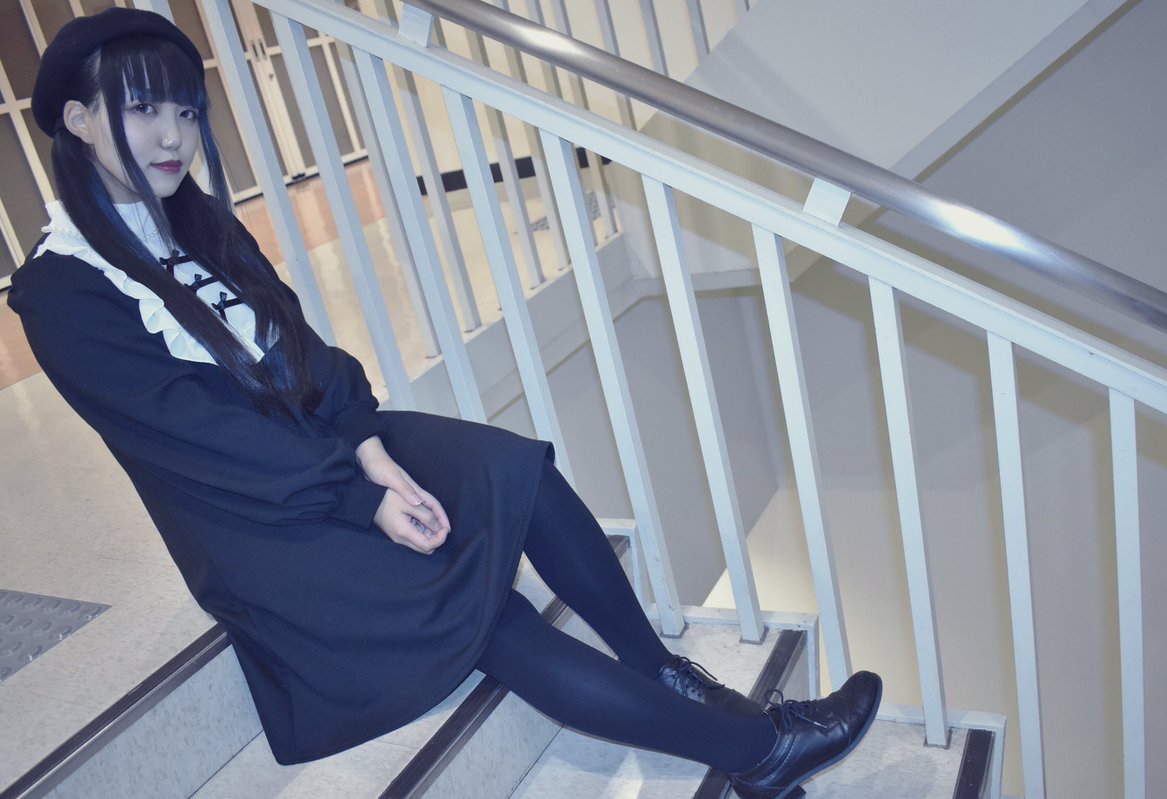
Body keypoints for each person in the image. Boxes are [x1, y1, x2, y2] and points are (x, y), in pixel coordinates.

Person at [8, 9, 880, 797]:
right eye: (142, 110)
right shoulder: (59, 291)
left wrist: (370, 446)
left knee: (516, 472)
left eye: (184, 109)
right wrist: (365, 498)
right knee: (483, 613)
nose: (173, 136)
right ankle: (760, 750)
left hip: (322, 448)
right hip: (253, 518)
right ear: (78, 120)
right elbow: (203, 440)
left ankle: (661, 671)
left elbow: (303, 349)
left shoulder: (197, 222)